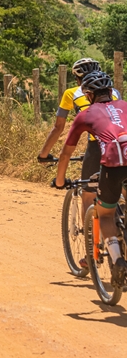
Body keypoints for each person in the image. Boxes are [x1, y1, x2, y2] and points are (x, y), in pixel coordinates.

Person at [52, 71, 127, 287]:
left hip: (113, 163)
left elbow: (66, 154)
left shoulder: (85, 115)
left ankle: (117, 260)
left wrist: (60, 181)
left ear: (88, 95)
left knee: (106, 215)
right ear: (110, 91)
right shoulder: (124, 105)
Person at [38, 58, 120, 255]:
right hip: (121, 144)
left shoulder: (71, 93)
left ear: (77, 79)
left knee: (88, 196)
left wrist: (43, 154)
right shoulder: (115, 92)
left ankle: (91, 252)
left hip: (97, 147)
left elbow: (58, 128)